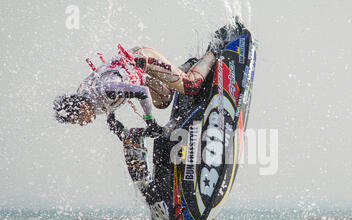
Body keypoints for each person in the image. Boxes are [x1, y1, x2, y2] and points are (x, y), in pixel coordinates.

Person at [52, 21, 241, 137]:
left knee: (190, 86)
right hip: (135, 70)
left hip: (143, 60)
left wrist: (150, 122)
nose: (82, 123)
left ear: (81, 107)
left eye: (77, 119)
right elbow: (107, 99)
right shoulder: (86, 98)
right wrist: (113, 120)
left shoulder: (108, 89)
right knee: (163, 100)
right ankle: (189, 66)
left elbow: (140, 92)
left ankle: (216, 47)